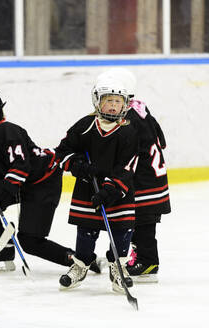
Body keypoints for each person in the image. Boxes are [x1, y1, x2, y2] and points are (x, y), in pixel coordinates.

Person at [0, 91, 76, 272]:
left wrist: (2, 191)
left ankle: (76, 259)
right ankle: (5, 248)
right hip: (26, 182)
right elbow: (7, 165)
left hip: (43, 183)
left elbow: (20, 167)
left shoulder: (7, 130)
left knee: (29, 241)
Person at [54, 77, 139, 294]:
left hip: (118, 193)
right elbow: (61, 152)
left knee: (122, 232)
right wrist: (78, 165)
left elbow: (127, 166)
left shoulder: (129, 132)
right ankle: (81, 265)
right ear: (97, 101)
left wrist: (110, 190)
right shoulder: (85, 126)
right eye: (108, 100)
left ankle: (118, 268)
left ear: (125, 104)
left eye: (118, 101)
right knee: (86, 231)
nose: (113, 105)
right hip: (87, 189)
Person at [100, 68, 171, 283]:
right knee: (140, 222)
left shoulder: (129, 118)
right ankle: (133, 256)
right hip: (152, 179)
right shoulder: (141, 111)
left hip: (144, 182)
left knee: (142, 223)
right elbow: (163, 142)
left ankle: (147, 262)